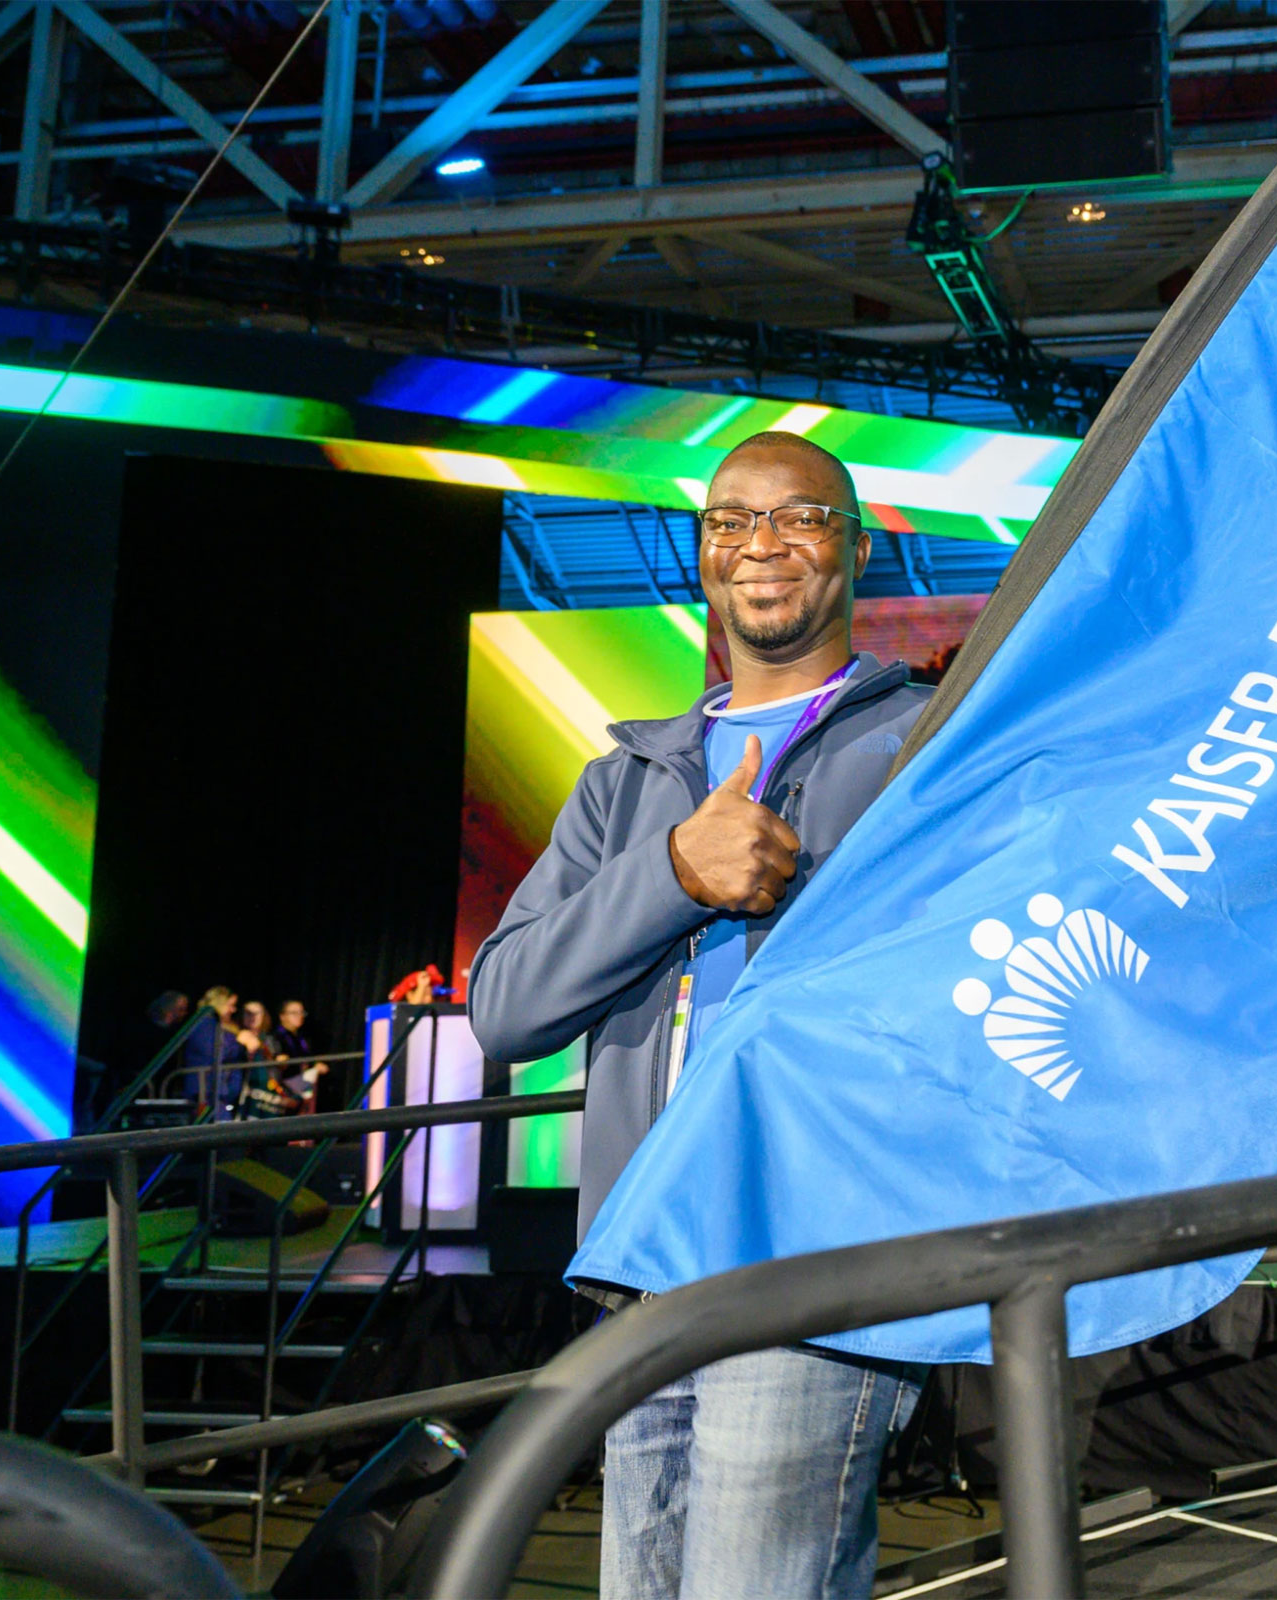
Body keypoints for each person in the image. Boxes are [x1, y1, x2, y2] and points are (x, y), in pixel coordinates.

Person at [468, 431, 934, 1600]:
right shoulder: (623, 780)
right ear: (702, 554)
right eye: (731, 521)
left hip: (812, 1254)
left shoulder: (924, 748)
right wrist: (674, 870)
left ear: (856, 545)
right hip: (639, 1265)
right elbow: (505, 1006)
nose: (762, 545)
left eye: (800, 517)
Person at [180, 986, 259, 1115]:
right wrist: (241, 1044)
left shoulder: (218, 1025)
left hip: (219, 1094)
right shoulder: (204, 1024)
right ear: (219, 1003)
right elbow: (215, 1052)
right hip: (207, 1095)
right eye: (230, 1005)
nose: (233, 1010)